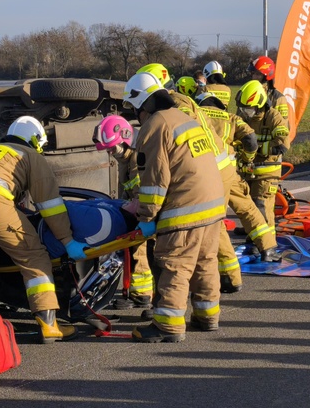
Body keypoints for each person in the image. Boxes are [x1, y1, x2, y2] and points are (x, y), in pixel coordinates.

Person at [0, 115, 87, 342]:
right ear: (35, 139)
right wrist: (68, 241)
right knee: (33, 255)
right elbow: (50, 205)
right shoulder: (29, 155)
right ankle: (49, 323)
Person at [123, 72, 227, 343]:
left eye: (135, 110)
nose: (137, 116)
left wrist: (147, 216)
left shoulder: (156, 125)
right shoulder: (184, 118)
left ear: (143, 105)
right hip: (213, 204)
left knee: (175, 265)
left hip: (186, 208)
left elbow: (155, 180)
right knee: (205, 261)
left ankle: (168, 325)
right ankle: (207, 317)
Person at [197, 90, 281, 266]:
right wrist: (247, 158)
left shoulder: (195, 115)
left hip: (204, 173)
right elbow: (250, 139)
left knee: (213, 218)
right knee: (248, 209)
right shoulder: (231, 118)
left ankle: (224, 266)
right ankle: (269, 249)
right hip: (229, 172)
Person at [93, 115, 155, 306]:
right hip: (139, 210)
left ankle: (143, 294)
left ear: (126, 140)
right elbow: (126, 189)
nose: (112, 153)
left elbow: (143, 191)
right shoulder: (126, 158)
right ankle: (136, 292)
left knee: (141, 249)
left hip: (148, 212)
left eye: (113, 148)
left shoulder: (138, 158)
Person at [236, 79, 289, 228]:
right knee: (250, 206)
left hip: (267, 171)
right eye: (242, 108)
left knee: (261, 205)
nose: (243, 111)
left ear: (259, 104)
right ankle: (253, 235)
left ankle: (266, 242)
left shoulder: (273, 117)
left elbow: (283, 144)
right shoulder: (245, 117)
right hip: (248, 171)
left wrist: (257, 148)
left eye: (247, 108)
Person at [251, 55, 290, 121]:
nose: (254, 77)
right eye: (253, 73)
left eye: (257, 74)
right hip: (249, 131)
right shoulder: (247, 92)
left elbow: (283, 124)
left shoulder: (278, 98)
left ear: (266, 76)